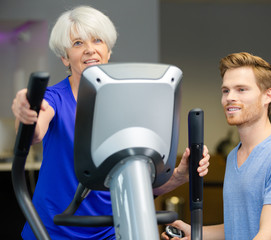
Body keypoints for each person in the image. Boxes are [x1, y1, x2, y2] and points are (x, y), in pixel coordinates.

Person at [12, 6, 210, 240]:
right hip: (51, 231)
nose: (90, 50)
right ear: (64, 57)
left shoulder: (131, 108)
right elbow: (34, 131)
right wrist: (27, 113)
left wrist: (180, 175)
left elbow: (138, 187)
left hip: (111, 232)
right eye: (77, 43)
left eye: (97, 40)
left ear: (108, 50)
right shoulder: (54, 98)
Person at [161, 52, 271, 240]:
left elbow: (270, 234)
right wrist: (195, 234)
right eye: (226, 91)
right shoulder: (235, 155)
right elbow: (240, 227)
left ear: (268, 95)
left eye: (241, 89)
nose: (229, 98)